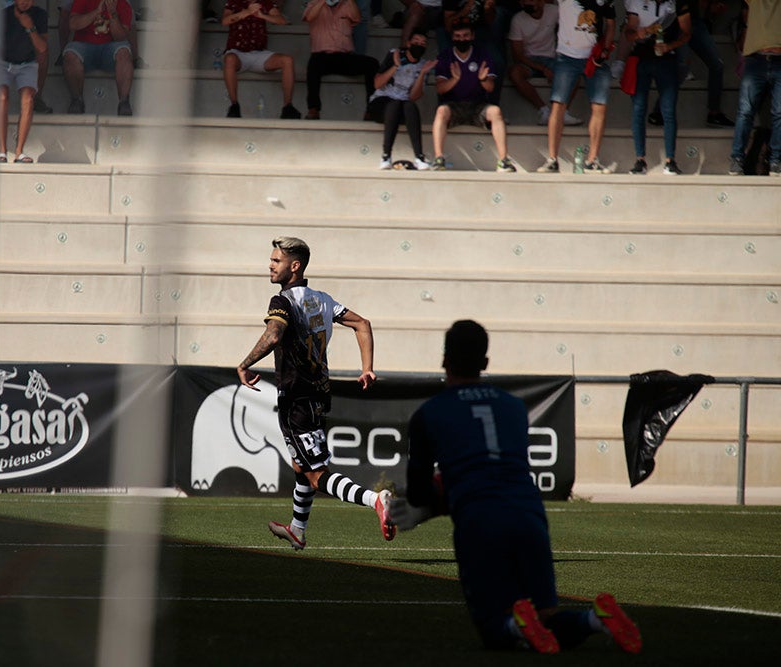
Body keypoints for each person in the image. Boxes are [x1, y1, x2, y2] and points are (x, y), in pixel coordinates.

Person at [388, 320, 643, 654]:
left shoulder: (429, 413)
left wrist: (430, 504)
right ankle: (596, 620)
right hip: (529, 513)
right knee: (546, 617)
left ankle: (515, 623)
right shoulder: (512, 407)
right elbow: (499, 469)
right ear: (485, 363)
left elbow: (421, 493)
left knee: (494, 631)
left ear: (444, 359)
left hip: (479, 521)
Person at [237, 237, 394, 551]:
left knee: (314, 473)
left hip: (296, 396)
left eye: (276, 261)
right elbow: (362, 324)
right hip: (319, 394)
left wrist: (244, 364)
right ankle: (297, 529)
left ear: (294, 267)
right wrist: (367, 367)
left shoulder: (282, 301)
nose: (270, 265)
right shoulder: (323, 299)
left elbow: (273, 334)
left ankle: (376, 500)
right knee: (302, 466)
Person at [535, 0, 615, 174]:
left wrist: (606, 49)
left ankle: (592, 160)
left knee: (599, 106)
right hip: (567, 57)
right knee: (558, 105)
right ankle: (552, 159)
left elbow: (610, 24)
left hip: (594, 58)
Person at [430, 20, 516, 171]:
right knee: (441, 111)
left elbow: (490, 88)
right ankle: (439, 159)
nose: (462, 39)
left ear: (472, 36)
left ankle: (503, 161)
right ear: (452, 37)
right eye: (458, 36)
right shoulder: (445, 56)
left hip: (478, 105)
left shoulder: (482, 55)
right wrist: (455, 79)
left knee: (495, 112)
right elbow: (440, 89)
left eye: (465, 35)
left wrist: (482, 79)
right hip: (453, 105)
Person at [623, 0, 692, 175]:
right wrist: (640, 33)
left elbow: (686, 33)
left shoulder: (677, 4)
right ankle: (640, 160)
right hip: (641, 58)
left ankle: (670, 161)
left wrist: (670, 46)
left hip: (666, 60)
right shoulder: (636, 2)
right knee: (639, 108)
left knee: (668, 111)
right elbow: (628, 33)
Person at [647, 0, 733, 128]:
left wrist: (712, 6)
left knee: (717, 64)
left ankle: (714, 113)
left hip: (694, 21)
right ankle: (659, 110)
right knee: (682, 66)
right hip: (675, 21)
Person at [366, 28, 436, 168]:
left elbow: (413, 96)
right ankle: (386, 156)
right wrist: (395, 66)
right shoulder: (395, 54)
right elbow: (377, 84)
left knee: (409, 106)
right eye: (416, 41)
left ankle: (419, 157)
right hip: (381, 102)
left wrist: (422, 74)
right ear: (409, 43)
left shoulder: (423, 65)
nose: (419, 45)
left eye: (423, 43)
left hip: (403, 106)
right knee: (395, 104)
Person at [221, 0, 301, 119]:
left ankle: (288, 106)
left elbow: (282, 20)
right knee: (229, 59)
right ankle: (234, 105)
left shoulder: (264, 2)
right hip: (238, 53)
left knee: (287, 60)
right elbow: (225, 21)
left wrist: (262, 15)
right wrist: (247, 12)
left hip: (259, 53)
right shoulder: (234, 2)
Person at [507, 0, 582, 126]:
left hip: (551, 58)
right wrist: (542, 69)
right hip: (529, 60)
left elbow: (572, 25)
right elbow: (518, 54)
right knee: (515, 73)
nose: (528, 4)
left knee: (574, 73)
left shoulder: (553, 11)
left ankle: (562, 113)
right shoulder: (517, 20)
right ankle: (544, 110)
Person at [727, 0, 780, 176]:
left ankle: (775, 160)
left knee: (779, 113)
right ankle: (737, 158)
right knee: (745, 111)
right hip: (756, 60)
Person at [303, 0, 379, 120]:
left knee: (372, 64)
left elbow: (357, 18)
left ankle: (372, 109)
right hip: (322, 55)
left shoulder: (347, 4)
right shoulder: (314, 3)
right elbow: (309, 17)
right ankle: (313, 109)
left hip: (344, 56)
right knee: (313, 66)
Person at [63, 0, 136, 116]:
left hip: (109, 50)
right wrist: (96, 11)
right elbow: (73, 24)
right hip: (84, 47)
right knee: (70, 52)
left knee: (124, 51)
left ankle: (124, 102)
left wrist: (112, 14)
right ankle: (77, 100)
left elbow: (121, 37)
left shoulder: (123, 4)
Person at [0, 0, 48, 163]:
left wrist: (29, 26)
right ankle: (2, 150)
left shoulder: (40, 15)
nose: (25, 2)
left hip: (27, 63)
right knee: (2, 97)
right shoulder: (3, 15)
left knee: (28, 99)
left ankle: (19, 151)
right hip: (3, 62)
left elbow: (42, 48)